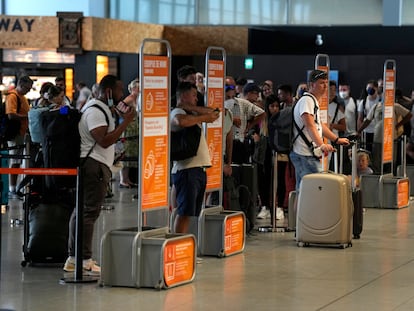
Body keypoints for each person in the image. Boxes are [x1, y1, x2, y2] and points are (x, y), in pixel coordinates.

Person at [63, 75, 135, 273]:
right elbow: (103, 140)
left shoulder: (100, 108)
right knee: (88, 212)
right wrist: (126, 122)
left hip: (96, 164)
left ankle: (74, 257)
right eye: (120, 91)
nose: (123, 96)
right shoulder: (95, 111)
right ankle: (83, 258)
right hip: (93, 167)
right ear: (109, 92)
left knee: (83, 211)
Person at [170, 81, 220, 234]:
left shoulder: (190, 112)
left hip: (198, 170)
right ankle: (176, 245)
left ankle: (186, 245)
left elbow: (214, 113)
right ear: (184, 96)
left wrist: (191, 107)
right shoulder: (176, 112)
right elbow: (180, 121)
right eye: (193, 95)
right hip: (187, 170)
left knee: (192, 213)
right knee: (184, 213)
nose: (196, 98)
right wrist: (201, 118)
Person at [289, 70, 349, 190]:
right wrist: (321, 145)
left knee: (303, 190)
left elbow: (319, 126)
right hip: (305, 154)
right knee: (314, 190)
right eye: (321, 83)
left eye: (326, 82)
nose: (325, 86)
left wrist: (336, 139)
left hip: (306, 154)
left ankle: (299, 209)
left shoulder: (312, 101)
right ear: (311, 85)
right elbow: (310, 125)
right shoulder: (307, 101)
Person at [357, 101, 412, 174]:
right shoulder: (376, 106)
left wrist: (397, 125)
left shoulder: (395, 106)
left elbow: (409, 115)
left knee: (391, 163)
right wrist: (359, 131)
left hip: (391, 140)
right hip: (377, 140)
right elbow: (368, 120)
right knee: (377, 163)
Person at [224, 76, 265, 164]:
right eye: (227, 86)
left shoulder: (242, 103)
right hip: (221, 144)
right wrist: (231, 119)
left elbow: (261, 113)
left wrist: (249, 126)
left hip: (238, 143)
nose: (230, 89)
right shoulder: (215, 103)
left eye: (232, 87)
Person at [5, 75, 33, 198]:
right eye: (27, 88)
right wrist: (26, 117)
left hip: (21, 133)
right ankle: (12, 189)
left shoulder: (23, 97)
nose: (29, 90)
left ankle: (15, 188)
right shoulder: (13, 96)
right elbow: (11, 115)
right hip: (15, 134)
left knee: (17, 161)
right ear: (21, 85)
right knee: (15, 161)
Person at [119, 78, 139, 188]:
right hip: (129, 130)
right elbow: (119, 108)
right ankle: (123, 179)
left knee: (132, 155)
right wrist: (126, 118)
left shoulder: (137, 99)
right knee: (126, 155)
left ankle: (127, 179)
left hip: (135, 129)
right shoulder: (130, 98)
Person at [357, 80, 381, 153]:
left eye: (372, 88)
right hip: (366, 131)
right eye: (368, 88)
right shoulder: (363, 102)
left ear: (377, 88)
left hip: (378, 131)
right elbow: (359, 118)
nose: (369, 90)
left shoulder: (381, 100)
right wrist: (359, 131)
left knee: (377, 151)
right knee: (367, 151)